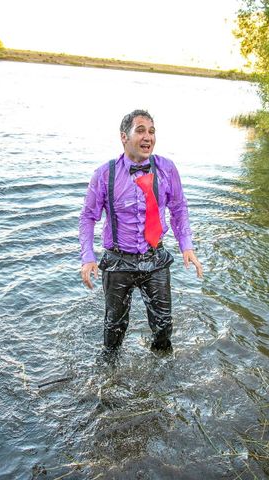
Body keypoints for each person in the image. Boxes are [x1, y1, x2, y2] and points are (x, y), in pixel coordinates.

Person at [79, 109, 203, 355]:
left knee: (163, 326)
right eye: (141, 130)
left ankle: (161, 375)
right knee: (114, 329)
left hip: (155, 258)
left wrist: (186, 245)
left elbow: (179, 209)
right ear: (124, 137)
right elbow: (87, 217)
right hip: (117, 261)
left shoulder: (167, 169)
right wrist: (88, 258)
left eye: (152, 131)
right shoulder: (105, 174)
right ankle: (109, 376)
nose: (148, 137)